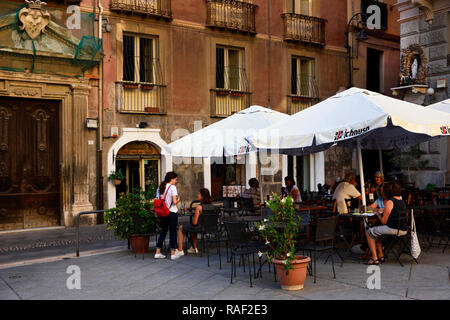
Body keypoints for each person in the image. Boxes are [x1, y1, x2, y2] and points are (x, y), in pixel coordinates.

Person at [364, 183, 408, 265]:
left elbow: (384, 221)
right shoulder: (401, 201)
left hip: (393, 229)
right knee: (376, 234)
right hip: (403, 228)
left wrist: (377, 214)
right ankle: (381, 255)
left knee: (368, 232)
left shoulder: (390, 202)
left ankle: (374, 258)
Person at [176, 188, 214, 255]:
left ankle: (180, 250)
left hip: (200, 227)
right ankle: (194, 248)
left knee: (180, 228)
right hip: (209, 228)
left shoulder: (199, 207)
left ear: (203, 196)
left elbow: (194, 223)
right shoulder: (212, 206)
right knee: (193, 230)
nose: (197, 195)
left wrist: (194, 218)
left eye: (199, 194)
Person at [155, 171, 181, 260]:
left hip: (163, 213)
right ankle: (173, 254)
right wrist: (178, 200)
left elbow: (158, 200)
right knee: (173, 232)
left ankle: (157, 252)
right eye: (176, 179)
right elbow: (174, 202)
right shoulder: (172, 187)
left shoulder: (160, 187)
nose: (176, 181)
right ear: (172, 179)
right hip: (172, 213)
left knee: (163, 232)